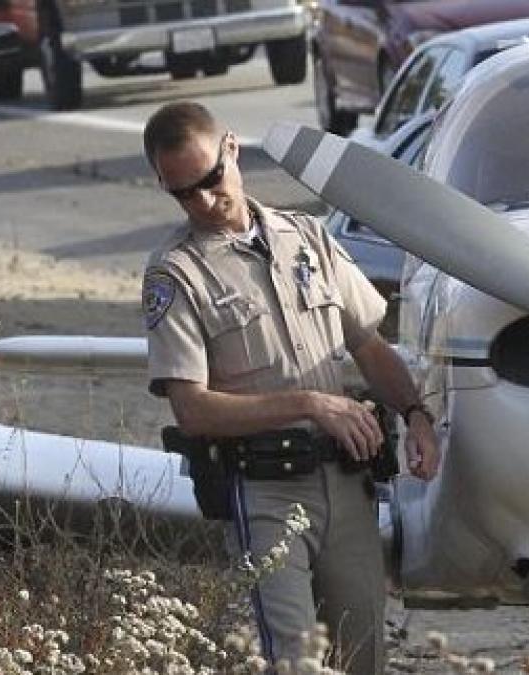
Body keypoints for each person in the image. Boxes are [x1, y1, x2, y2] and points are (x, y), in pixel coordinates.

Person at [140, 100, 439, 673]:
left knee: (363, 659)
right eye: (184, 192)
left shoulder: (306, 236)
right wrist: (308, 403)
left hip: (348, 485)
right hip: (268, 491)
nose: (204, 200)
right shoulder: (175, 273)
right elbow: (192, 409)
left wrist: (418, 415)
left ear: (231, 148)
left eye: (210, 180)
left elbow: (370, 345)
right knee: (295, 661)